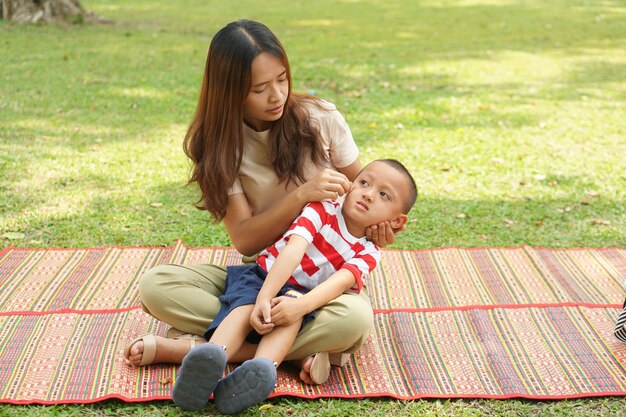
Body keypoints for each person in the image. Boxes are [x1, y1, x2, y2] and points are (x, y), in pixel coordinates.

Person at [123, 19, 401, 384]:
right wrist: (302, 196)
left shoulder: (322, 118)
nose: (277, 96)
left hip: (323, 279)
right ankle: (298, 351)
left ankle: (197, 349)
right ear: (230, 92)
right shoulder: (218, 145)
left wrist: (380, 228)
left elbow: (364, 193)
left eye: (282, 79)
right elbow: (246, 240)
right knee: (156, 287)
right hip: (260, 273)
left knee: (355, 320)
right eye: (259, 88)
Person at [171, 159, 418, 413]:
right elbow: (293, 250)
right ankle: (212, 356)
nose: (368, 194)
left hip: (300, 296)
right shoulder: (323, 208)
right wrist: (264, 297)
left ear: (397, 222)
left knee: (290, 323)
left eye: (383, 194)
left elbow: (338, 283)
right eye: (364, 182)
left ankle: (260, 370)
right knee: (243, 309)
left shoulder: (369, 252)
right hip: (265, 275)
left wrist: (298, 307)